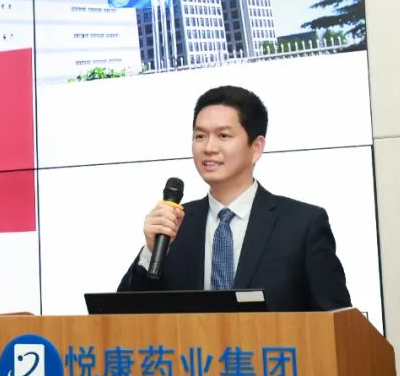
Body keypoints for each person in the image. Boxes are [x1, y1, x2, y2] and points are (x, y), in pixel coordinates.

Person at [117, 85, 351, 311]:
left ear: (256, 147)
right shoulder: (173, 225)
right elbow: (121, 315)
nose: (209, 147)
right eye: (200, 136)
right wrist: (151, 251)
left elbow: (337, 321)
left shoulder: (302, 224)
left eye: (223, 135)